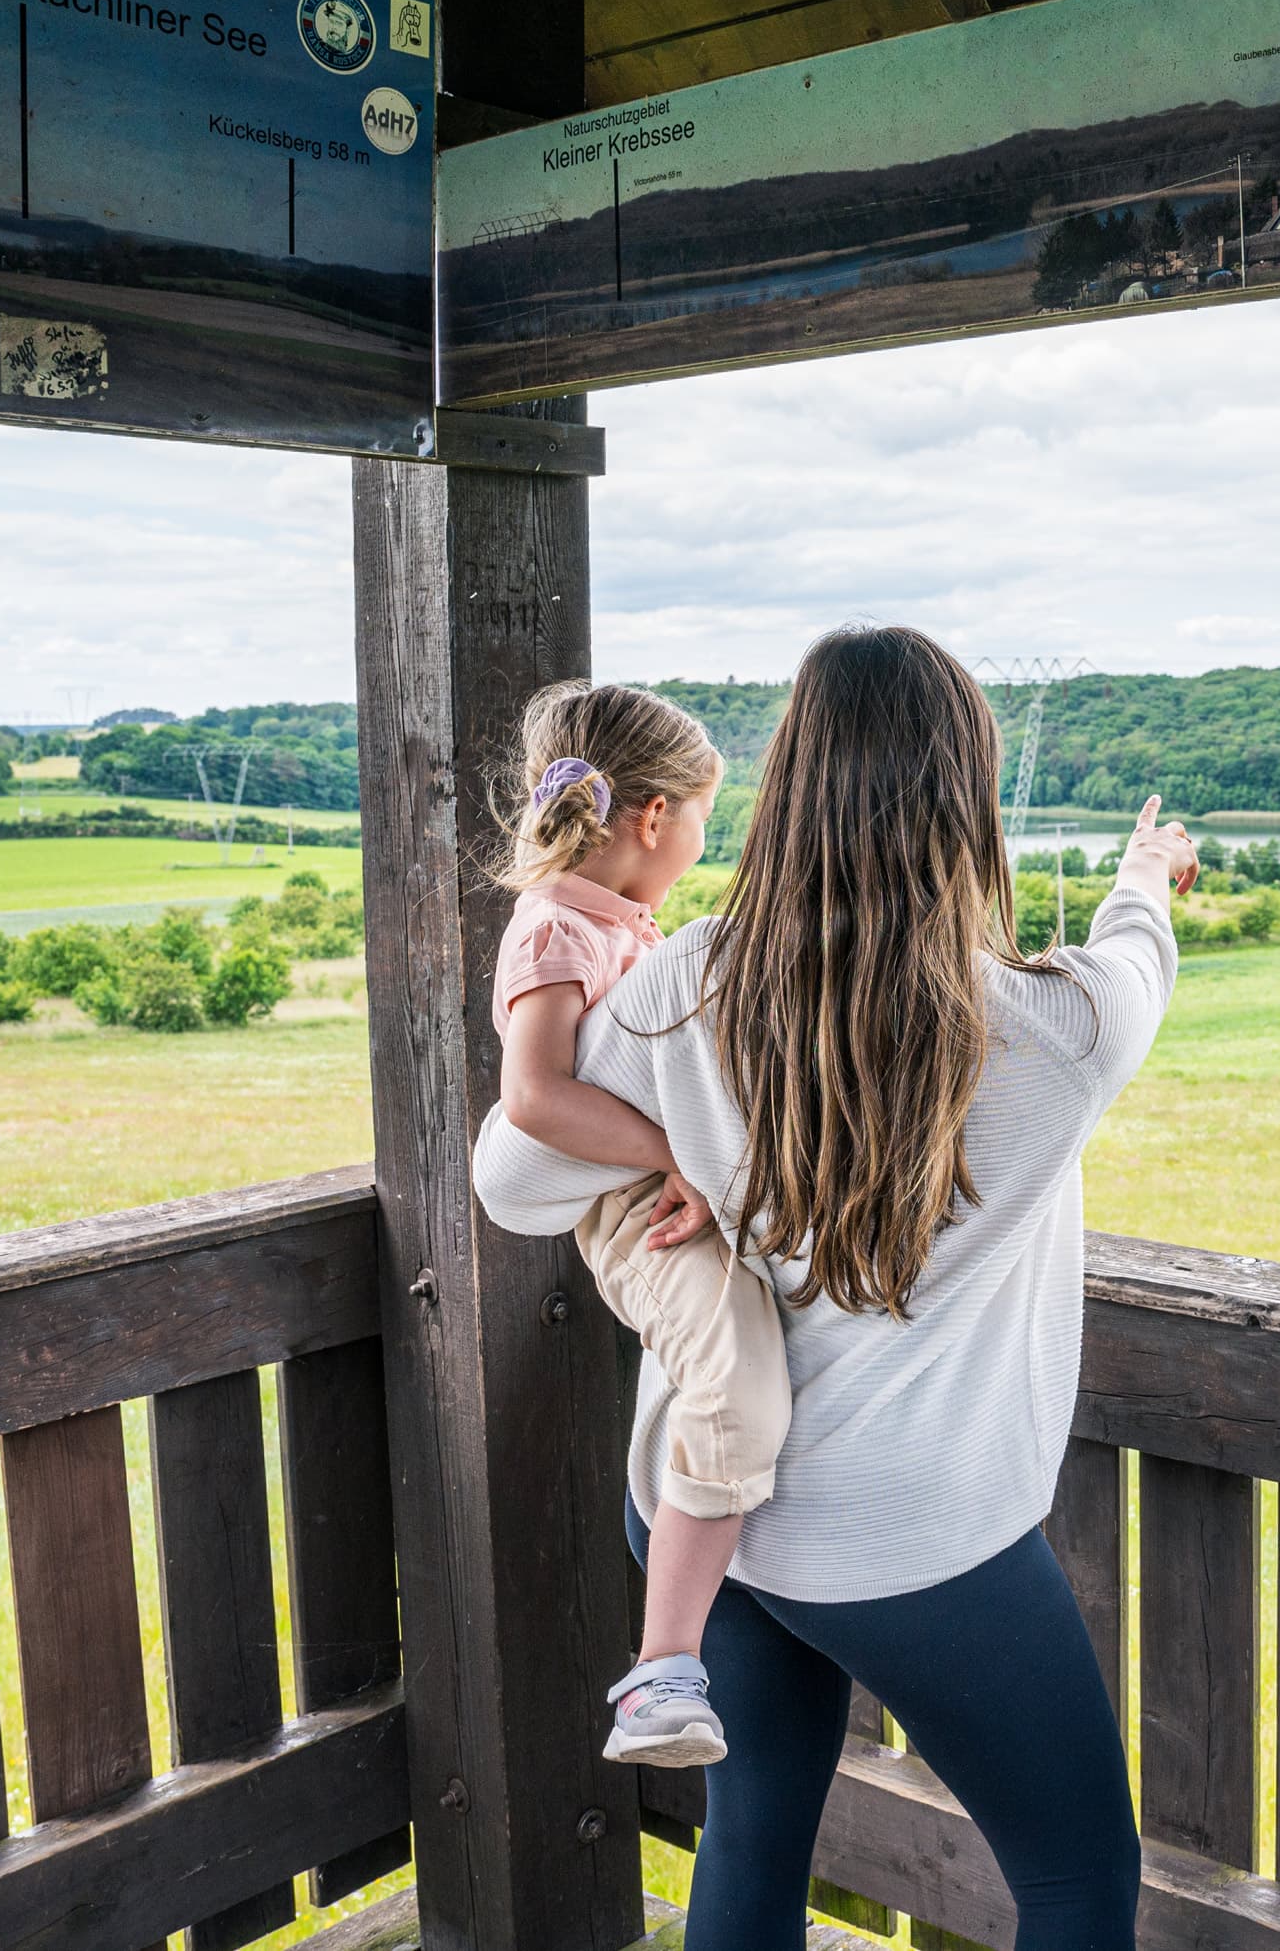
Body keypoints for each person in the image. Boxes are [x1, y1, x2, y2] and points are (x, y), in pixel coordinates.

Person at [474, 626, 1191, 1951]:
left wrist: (682, 1148)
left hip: (704, 1518)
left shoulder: (678, 984)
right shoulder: (1061, 1023)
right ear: (967, 803)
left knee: (752, 1844)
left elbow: (512, 1180)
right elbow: (1137, 955)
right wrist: (1143, 875)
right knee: (1079, 1876)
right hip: (906, 1543)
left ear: (787, 783)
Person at [477, 678, 773, 1772]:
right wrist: (684, 1154)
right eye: (704, 817)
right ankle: (663, 1669)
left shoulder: (625, 927)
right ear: (655, 818)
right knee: (737, 1389)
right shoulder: (555, 928)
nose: (704, 840)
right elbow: (535, 1097)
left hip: (669, 1185)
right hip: (632, 1209)